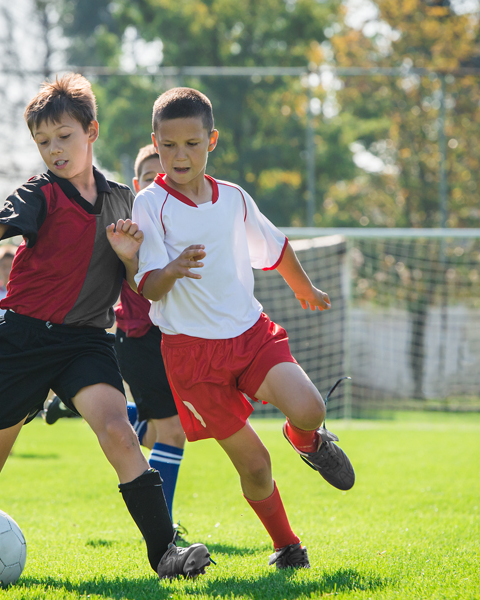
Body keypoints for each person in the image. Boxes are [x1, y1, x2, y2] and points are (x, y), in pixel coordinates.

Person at [0, 73, 212, 580]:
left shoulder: (123, 201)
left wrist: (127, 257)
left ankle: (165, 553)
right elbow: (1, 225)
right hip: (22, 340)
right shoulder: (41, 193)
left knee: (119, 431)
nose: (54, 150)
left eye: (64, 137)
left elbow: (137, 281)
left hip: (86, 341)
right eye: (43, 141)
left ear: (91, 131)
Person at [128, 87, 355, 570]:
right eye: (168, 146)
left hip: (251, 335)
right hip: (193, 358)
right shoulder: (150, 204)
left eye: (192, 143)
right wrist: (174, 268)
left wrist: (305, 288)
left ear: (212, 140)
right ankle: (288, 546)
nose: (180, 155)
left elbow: (275, 247)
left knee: (310, 409)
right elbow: (147, 286)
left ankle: (308, 441)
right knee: (256, 466)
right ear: (156, 142)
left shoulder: (232, 197)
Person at [45, 144, 191, 546]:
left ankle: (78, 405)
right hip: (139, 337)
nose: (157, 182)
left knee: (181, 424)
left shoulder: (189, 219)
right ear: (136, 185)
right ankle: (166, 530)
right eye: (148, 176)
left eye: (163, 174)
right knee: (173, 431)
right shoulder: (127, 224)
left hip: (181, 336)